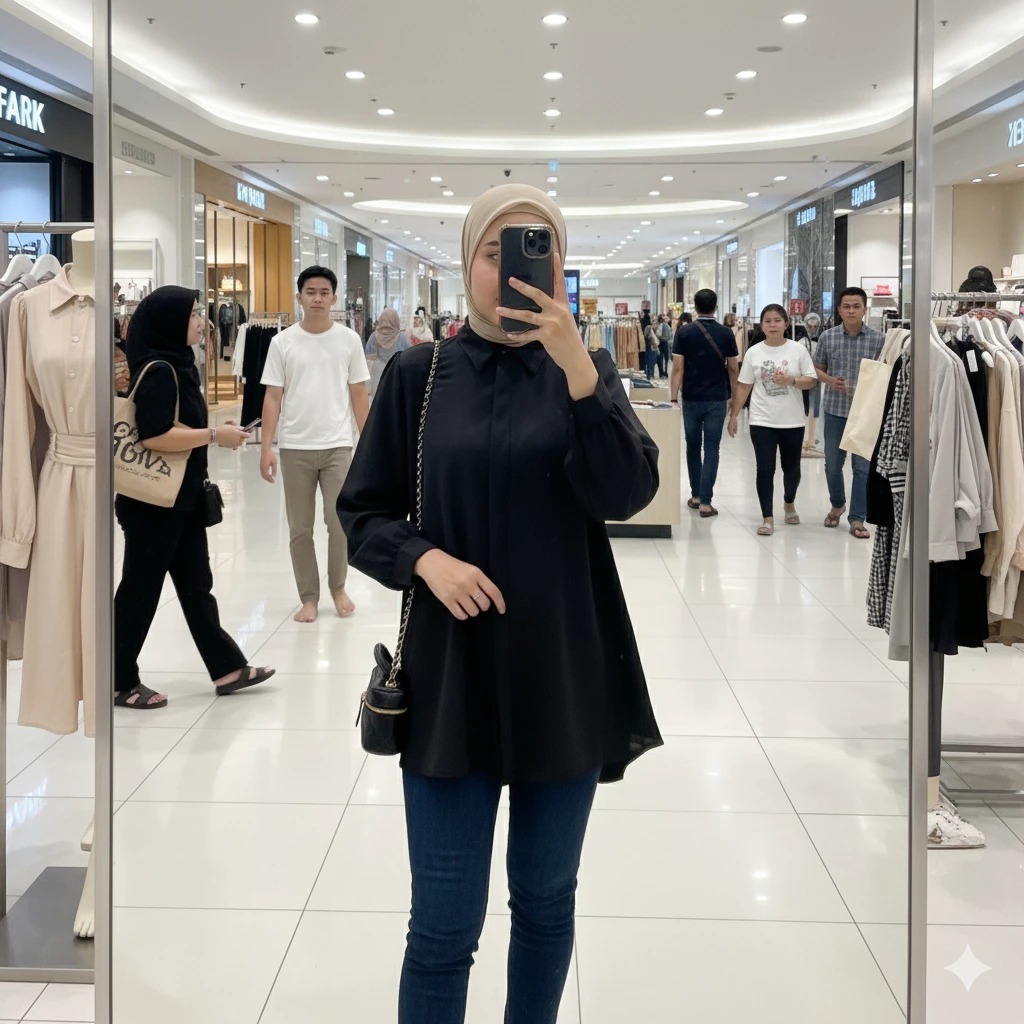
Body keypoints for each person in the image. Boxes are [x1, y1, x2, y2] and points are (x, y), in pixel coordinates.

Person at [338, 183, 662, 1024]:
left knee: (546, 904)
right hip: (450, 676)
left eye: (537, 250)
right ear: (467, 262)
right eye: (495, 251)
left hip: (562, 667)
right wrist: (425, 559)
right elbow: (361, 513)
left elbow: (627, 493)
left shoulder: (586, 373)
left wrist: (581, 370)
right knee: (443, 925)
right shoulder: (417, 374)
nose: (513, 269)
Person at [113, 287, 275, 709]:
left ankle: (227, 667)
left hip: (179, 499)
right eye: (194, 315)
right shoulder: (162, 370)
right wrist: (214, 435)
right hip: (153, 504)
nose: (203, 322)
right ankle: (117, 679)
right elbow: (153, 436)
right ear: (171, 323)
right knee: (140, 590)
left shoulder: (179, 363)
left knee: (196, 586)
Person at [260, 266, 371, 623]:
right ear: (299, 297)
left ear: (334, 298)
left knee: (339, 524)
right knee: (300, 528)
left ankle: (338, 588)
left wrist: (370, 445)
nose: (318, 299)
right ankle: (308, 597)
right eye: (311, 292)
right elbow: (273, 397)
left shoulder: (349, 341)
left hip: (338, 445)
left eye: (324, 292)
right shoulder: (283, 342)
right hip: (295, 447)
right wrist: (266, 447)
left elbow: (359, 394)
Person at [728, 304, 818, 536]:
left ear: (786, 324)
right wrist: (734, 414)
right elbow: (744, 385)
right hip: (762, 420)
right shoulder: (754, 352)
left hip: (792, 421)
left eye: (777, 320)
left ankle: (789, 502)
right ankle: (767, 517)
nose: (772, 325)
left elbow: (811, 380)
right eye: (767, 321)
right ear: (762, 325)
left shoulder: (798, 350)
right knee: (765, 469)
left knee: (792, 469)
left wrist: (792, 381)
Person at [813, 287, 885, 538]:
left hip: (865, 413)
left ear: (865, 309)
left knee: (862, 468)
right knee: (832, 465)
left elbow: (885, 375)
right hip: (835, 410)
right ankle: (837, 504)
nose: (851, 311)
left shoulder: (879, 340)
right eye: (846, 306)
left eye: (856, 306)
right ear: (839, 309)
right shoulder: (828, 337)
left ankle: (857, 518)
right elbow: (817, 370)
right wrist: (830, 380)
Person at [671, 289, 739, 518]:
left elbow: (678, 368)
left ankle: (696, 495)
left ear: (695, 306)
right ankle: (706, 503)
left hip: (691, 397)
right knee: (711, 448)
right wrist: (735, 397)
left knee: (692, 446)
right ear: (715, 307)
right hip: (716, 398)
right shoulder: (726, 333)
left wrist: (673, 397)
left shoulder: (684, 332)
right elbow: (733, 368)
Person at [366, 307, 410, 395]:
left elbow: (367, 356)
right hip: (396, 371)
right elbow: (407, 358)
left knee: (378, 396)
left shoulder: (374, 336)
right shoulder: (402, 338)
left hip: (378, 372)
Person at [656, 313, 673, 378]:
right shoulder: (667, 326)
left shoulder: (660, 325)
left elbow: (658, 334)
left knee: (660, 357)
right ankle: (665, 372)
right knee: (666, 358)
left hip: (661, 342)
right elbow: (671, 335)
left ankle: (661, 372)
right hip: (665, 342)